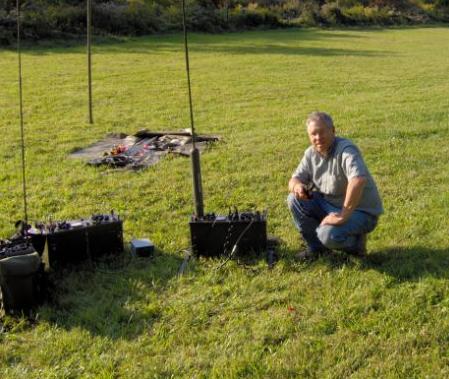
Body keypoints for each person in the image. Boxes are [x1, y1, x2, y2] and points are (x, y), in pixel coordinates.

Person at [287, 111, 383, 260]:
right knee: (293, 199)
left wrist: (342, 216)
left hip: (360, 211)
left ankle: (356, 245)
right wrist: (297, 187)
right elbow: (294, 180)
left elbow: (358, 180)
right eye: (313, 134)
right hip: (329, 205)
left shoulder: (346, 149)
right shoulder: (310, 154)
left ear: (333, 130)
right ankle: (317, 249)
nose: (318, 138)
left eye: (322, 132)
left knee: (328, 235)